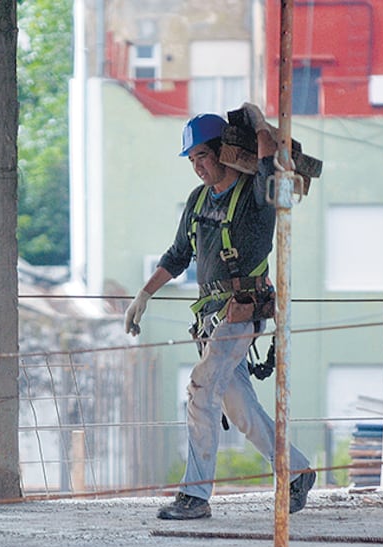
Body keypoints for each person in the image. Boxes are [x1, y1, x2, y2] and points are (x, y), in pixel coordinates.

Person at [124, 103, 315, 520]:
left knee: (200, 389)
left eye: (203, 157)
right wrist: (144, 294)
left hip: (241, 313)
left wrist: (260, 124)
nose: (197, 167)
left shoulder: (257, 197)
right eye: (192, 160)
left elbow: (270, 160)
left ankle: (195, 495)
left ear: (223, 153)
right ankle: (297, 471)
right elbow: (178, 255)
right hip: (211, 319)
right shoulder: (197, 201)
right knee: (240, 410)